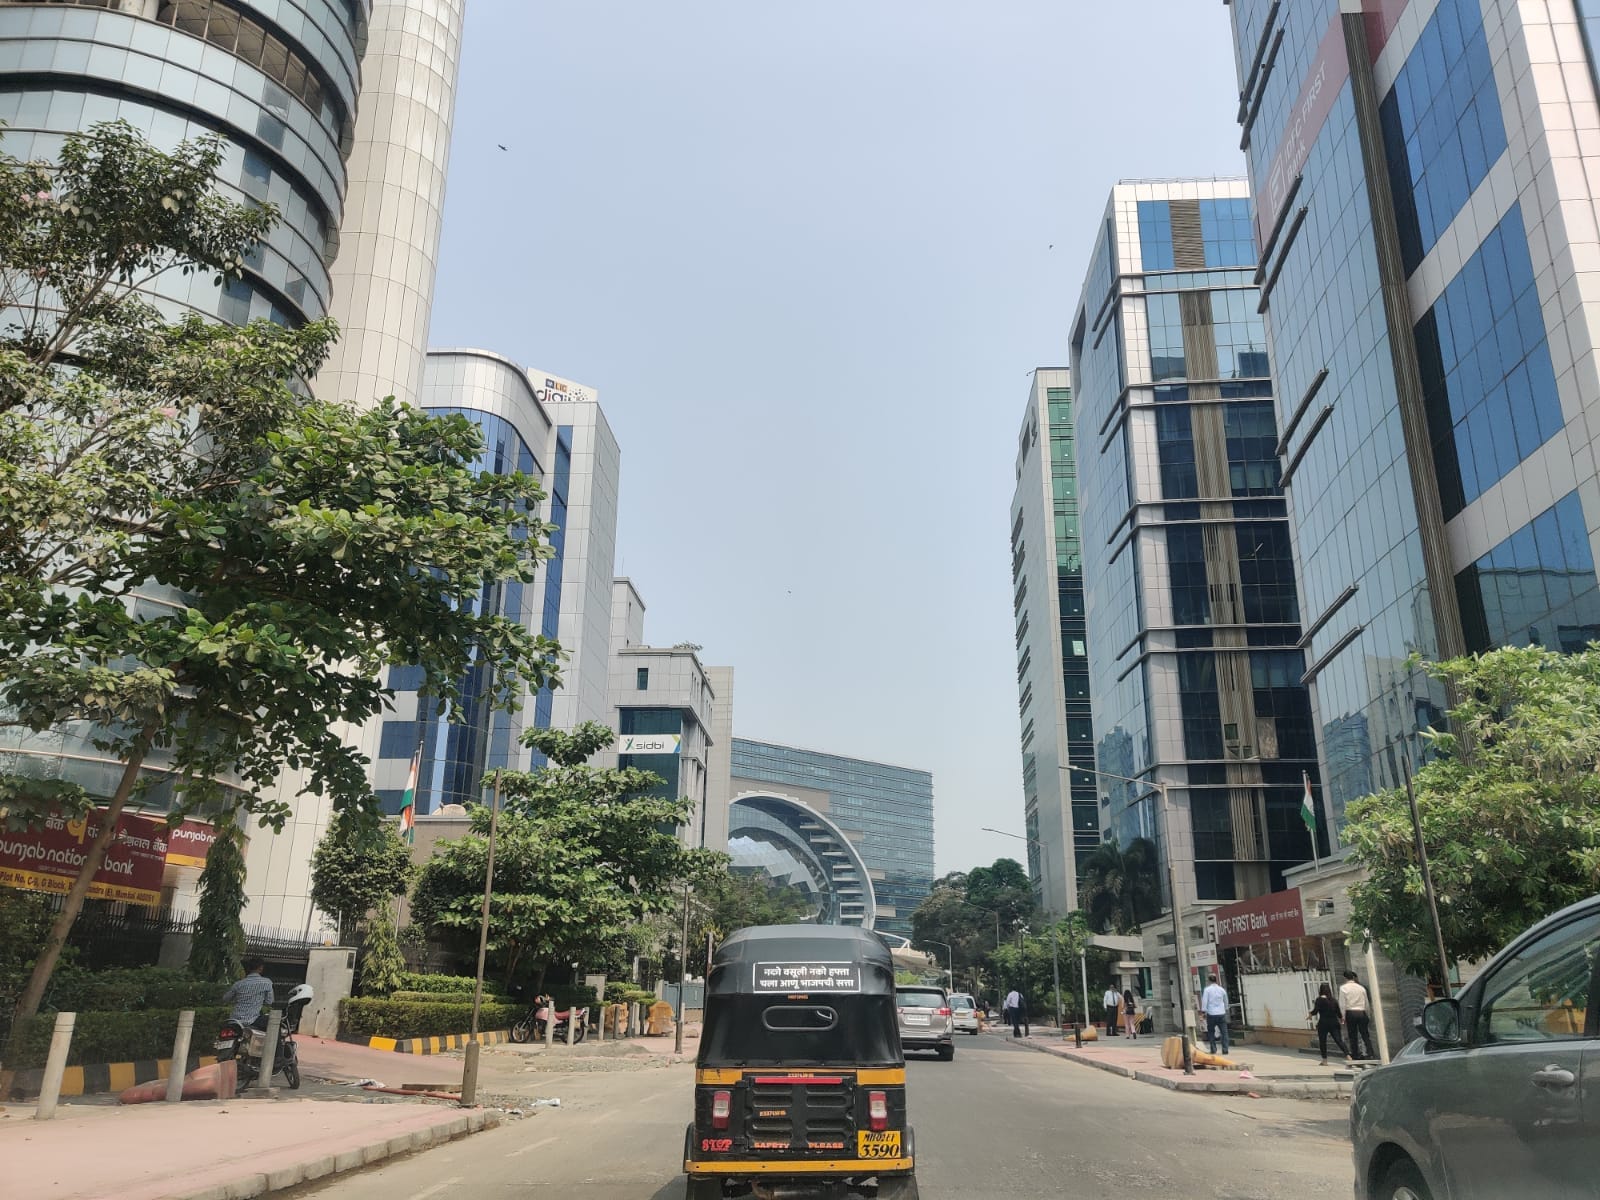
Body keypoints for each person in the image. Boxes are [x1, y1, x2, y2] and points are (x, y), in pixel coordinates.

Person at [222, 957, 274, 1029]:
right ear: (261, 968)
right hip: (253, 1020)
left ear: (248, 968)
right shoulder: (267, 982)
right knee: (274, 1023)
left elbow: (225, 999)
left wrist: (236, 1000)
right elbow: (269, 1002)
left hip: (234, 1020)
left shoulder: (238, 984)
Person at [1310, 982, 1352, 1066]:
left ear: (1320, 990)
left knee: (1323, 1041)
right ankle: (1348, 1056)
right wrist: (1342, 1019)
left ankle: (1324, 1060)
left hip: (1323, 1023)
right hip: (1334, 1022)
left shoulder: (1319, 1000)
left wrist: (1310, 1014)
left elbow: (1315, 1011)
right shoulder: (1333, 1000)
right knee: (1339, 1040)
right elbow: (1338, 1013)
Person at [1340, 970, 1375, 1060]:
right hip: (1361, 1012)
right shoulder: (1361, 988)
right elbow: (1366, 1002)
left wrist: (1342, 1016)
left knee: (1353, 1035)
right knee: (1365, 1034)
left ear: (1345, 978)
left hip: (1350, 1012)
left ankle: (1355, 1054)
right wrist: (1367, 1013)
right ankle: (1370, 1053)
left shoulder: (1343, 988)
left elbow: (1342, 1004)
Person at [1199, 972, 1230, 1055]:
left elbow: (1205, 1001)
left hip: (1211, 1013)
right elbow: (1226, 1001)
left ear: (1209, 980)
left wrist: (1203, 1011)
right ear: (1216, 980)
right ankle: (1225, 1049)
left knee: (1211, 1032)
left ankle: (1213, 1049)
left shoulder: (1207, 990)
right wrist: (1226, 1009)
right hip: (1221, 1013)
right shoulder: (1222, 989)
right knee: (1224, 1032)